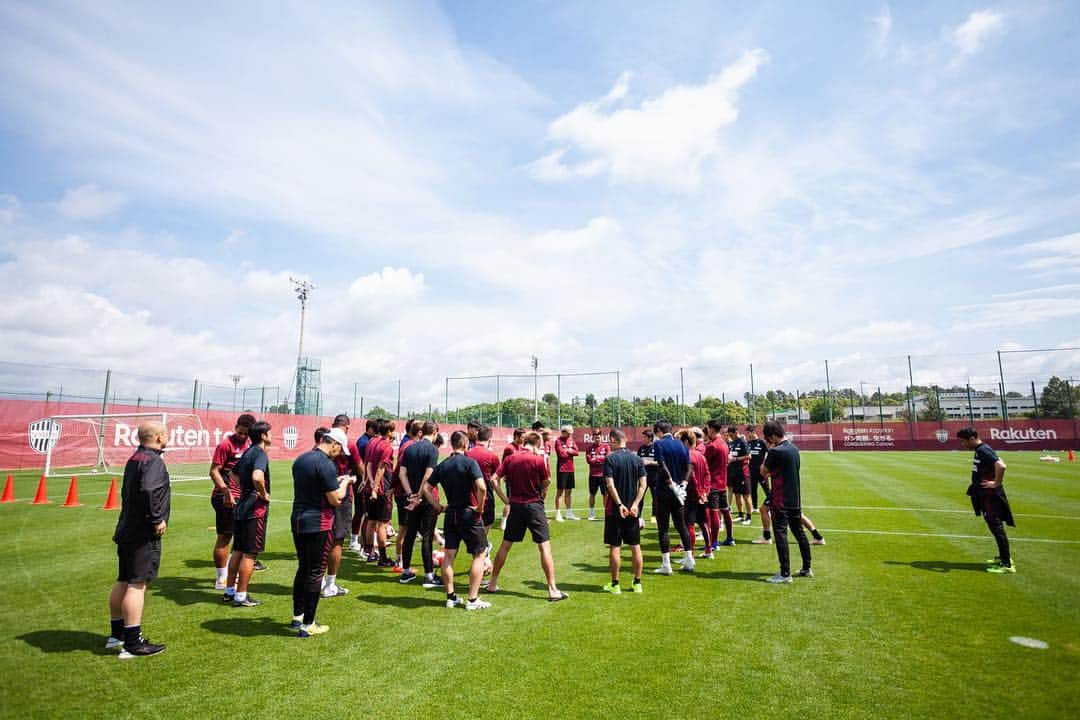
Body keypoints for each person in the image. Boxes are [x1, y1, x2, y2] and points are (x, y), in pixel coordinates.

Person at [106, 420, 171, 659]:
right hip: (142, 532)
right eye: (166, 433)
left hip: (127, 527)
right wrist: (156, 519)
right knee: (137, 583)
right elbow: (149, 489)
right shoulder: (153, 461)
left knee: (124, 580)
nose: (168, 436)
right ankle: (133, 642)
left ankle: (117, 635)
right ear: (158, 437)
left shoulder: (135, 458)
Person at [486, 431, 568, 602]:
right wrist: (543, 493)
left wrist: (505, 499)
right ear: (537, 443)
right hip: (534, 505)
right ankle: (552, 589)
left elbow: (494, 480)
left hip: (516, 505)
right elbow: (547, 482)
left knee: (505, 545)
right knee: (544, 548)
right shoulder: (538, 460)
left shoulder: (510, 458)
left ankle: (492, 583)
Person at [290, 427, 352, 637]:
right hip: (319, 522)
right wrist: (344, 483)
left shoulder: (301, 459)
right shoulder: (326, 464)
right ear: (333, 443)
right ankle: (309, 623)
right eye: (339, 448)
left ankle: (298, 616)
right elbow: (335, 499)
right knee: (316, 572)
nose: (340, 453)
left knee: (303, 568)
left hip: (298, 519)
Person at [420, 431, 490, 610]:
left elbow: (426, 488)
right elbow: (482, 487)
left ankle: (451, 597)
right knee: (480, 554)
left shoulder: (443, 465)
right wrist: (480, 507)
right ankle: (472, 600)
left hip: (451, 513)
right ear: (465, 444)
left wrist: (437, 506)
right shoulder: (469, 463)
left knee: (449, 556)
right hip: (468, 513)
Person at [957, 427, 1016, 573]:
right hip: (985, 495)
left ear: (972, 439)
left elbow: (1001, 465)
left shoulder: (983, 449)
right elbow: (999, 460)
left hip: (990, 496)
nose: (962, 445)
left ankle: (1006, 564)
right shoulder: (981, 449)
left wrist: (996, 483)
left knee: (996, 526)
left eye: (963, 442)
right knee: (994, 526)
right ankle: (1003, 557)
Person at [760, 420, 812, 583]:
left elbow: (763, 471)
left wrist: (769, 451)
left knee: (781, 535)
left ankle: (784, 573)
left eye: (768, 438)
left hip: (780, 500)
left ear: (772, 436)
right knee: (799, 533)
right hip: (795, 498)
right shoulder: (794, 449)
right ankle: (806, 567)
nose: (768, 442)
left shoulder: (776, 452)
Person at [228, 420, 272, 607]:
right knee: (250, 553)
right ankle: (241, 595)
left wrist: (244, 489)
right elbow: (257, 476)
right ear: (263, 436)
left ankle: (229, 590)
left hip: (242, 507)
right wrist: (263, 494)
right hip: (254, 509)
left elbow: (233, 473)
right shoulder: (260, 453)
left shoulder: (247, 451)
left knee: (238, 549)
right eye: (269, 432)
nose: (271, 435)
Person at [209, 413, 254, 589]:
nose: (241, 436)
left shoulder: (251, 445)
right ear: (235, 427)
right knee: (225, 537)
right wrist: (226, 491)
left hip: (242, 499)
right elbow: (214, 471)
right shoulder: (225, 444)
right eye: (240, 432)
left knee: (241, 538)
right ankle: (221, 578)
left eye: (245, 433)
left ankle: (230, 574)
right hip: (225, 498)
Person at [600, 429, 647, 594]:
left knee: (615, 546)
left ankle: (615, 584)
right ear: (625, 440)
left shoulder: (610, 459)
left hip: (616, 510)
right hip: (633, 511)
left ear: (613, 440)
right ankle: (637, 583)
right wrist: (635, 504)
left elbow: (610, 484)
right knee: (635, 546)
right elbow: (643, 485)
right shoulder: (637, 459)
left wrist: (619, 504)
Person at [398, 421, 441, 585]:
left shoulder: (409, 448)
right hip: (426, 498)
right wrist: (419, 495)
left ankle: (406, 571)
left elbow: (402, 474)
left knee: (410, 534)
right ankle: (429, 575)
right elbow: (428, 475)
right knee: (427, 536)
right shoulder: (433, 450)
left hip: (412, 498)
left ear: (422, 432)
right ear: (435, 433)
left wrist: (411, 494)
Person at [323, 414, 360, 597]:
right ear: (346, 427)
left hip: (320, 495)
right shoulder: (349, 443)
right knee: (337, 540)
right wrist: (355, 482)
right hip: (340, 493)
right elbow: (359, 467)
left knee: (322, 538)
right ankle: (329, 584)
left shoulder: (319, 446)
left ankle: (319, 580)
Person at [652, 421, 694, 574]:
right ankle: (689, 559)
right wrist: (683, 483)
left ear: (658, 431)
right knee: (681, 525)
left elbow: (662, 465)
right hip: (679, 491)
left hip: (664, 490)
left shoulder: (659, 444)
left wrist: (671, 483)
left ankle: (666, 565)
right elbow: (688, 466)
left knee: (663, 528)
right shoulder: (681, 444)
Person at [467, 425, 506, 576]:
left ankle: (482, 560)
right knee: (483, 538)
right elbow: (497, 480)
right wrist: (504, 498)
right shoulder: (492, 456)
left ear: (476, 437)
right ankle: (482, 566)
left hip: (470, 500)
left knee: (478, 537)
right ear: (489, 439)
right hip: (487, 500)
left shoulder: (467, 454)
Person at [363, 418, 396, 567]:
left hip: (372, 488)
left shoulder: (372, 443)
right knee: (382, 524)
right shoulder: (387, 447)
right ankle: (383, 558)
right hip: (382, 490)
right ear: (389, 431)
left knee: (371, 522)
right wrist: (376, 488)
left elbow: (368, 464)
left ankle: (370, 553)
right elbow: (381, 469)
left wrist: (369, 483)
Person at [391, 419, 423, 574]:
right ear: (419, 432)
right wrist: (393, 487)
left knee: (407, 527)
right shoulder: (409, 447)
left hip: (404, 491)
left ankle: (400, 560)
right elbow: (399, 470)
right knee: (404, 529)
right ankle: (400, 561)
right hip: (404, 493)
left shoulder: (408, 445)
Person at [682, 428, 713, 559]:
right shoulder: (701, 455)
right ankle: (709, 550)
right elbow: (707, 475)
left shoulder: (687, 456)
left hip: (692, 495)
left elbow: (692, 477)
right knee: (703, 523)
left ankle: (690, 555)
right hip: (701, 496)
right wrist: (706, 492)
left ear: (686, 442)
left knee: (689, 525)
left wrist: (700, 493)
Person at [349, 419, 379, 553]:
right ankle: (356, 542)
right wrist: (366, 480)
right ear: (371, 429)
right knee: (363, 511)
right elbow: (361, 464)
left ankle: (362, 540)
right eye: (376, 430)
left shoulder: (366, 441)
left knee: (364, 512)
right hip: (362, 481)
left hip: (364, 480)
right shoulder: (364, 443)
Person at [704, 420, 734, 547]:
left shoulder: (712, 446)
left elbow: (704, 462)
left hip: (713, 484)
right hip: (722, 482)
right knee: (725, 511)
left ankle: (714, 542)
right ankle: (730, 538)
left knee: (714, 512)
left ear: (711, 429)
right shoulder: (724, 443)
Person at [727, 426, 752, 525]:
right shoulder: (732, 443)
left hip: (743, 473)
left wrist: (736, 459)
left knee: (746, 495)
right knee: (737, 494)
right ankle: (740, 514)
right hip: (734, 472)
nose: (730, 437)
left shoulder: (743, 442)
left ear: (736, 432)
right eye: (729, 435)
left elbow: (749, 456)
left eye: (731, 435)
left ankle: (748, 516)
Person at [553, 425, 579, 522]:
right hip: (562, 469)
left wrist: (568, 450)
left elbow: (577, 452)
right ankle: (558, 513)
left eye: (570, 434)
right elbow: (561, 454)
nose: (569, 435)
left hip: (570, 469)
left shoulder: (571, 440)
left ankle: (569, 513)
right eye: (568, 434)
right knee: (560, 492)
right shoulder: (558, 441)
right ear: (563, 432)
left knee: (569, 492)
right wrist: (570, 451)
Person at [585, 427, 611, 521]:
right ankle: (591, 513)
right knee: (592, 494)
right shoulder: (589, 448)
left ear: (601, 436)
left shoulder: (606, 447)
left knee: (605, 495)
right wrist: (600, 459)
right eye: (595, 436)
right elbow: (589, 460)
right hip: (593, 475)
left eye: (598, 436)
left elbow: (607, 459)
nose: (597, 438)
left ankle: (607, 513)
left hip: (603, 475)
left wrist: (595, 459)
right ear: (593, 437)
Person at [636, 429, 659, 524]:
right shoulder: (641, 448)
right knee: (639, 496)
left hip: (654, 477)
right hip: (643, 477)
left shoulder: (656, 448)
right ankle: (638, 515)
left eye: (645, 437)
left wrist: (649, 462)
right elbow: (637, 461)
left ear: (650, 438)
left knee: (655, 498)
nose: (643, 439)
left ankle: (654, 515)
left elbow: (660, 462)